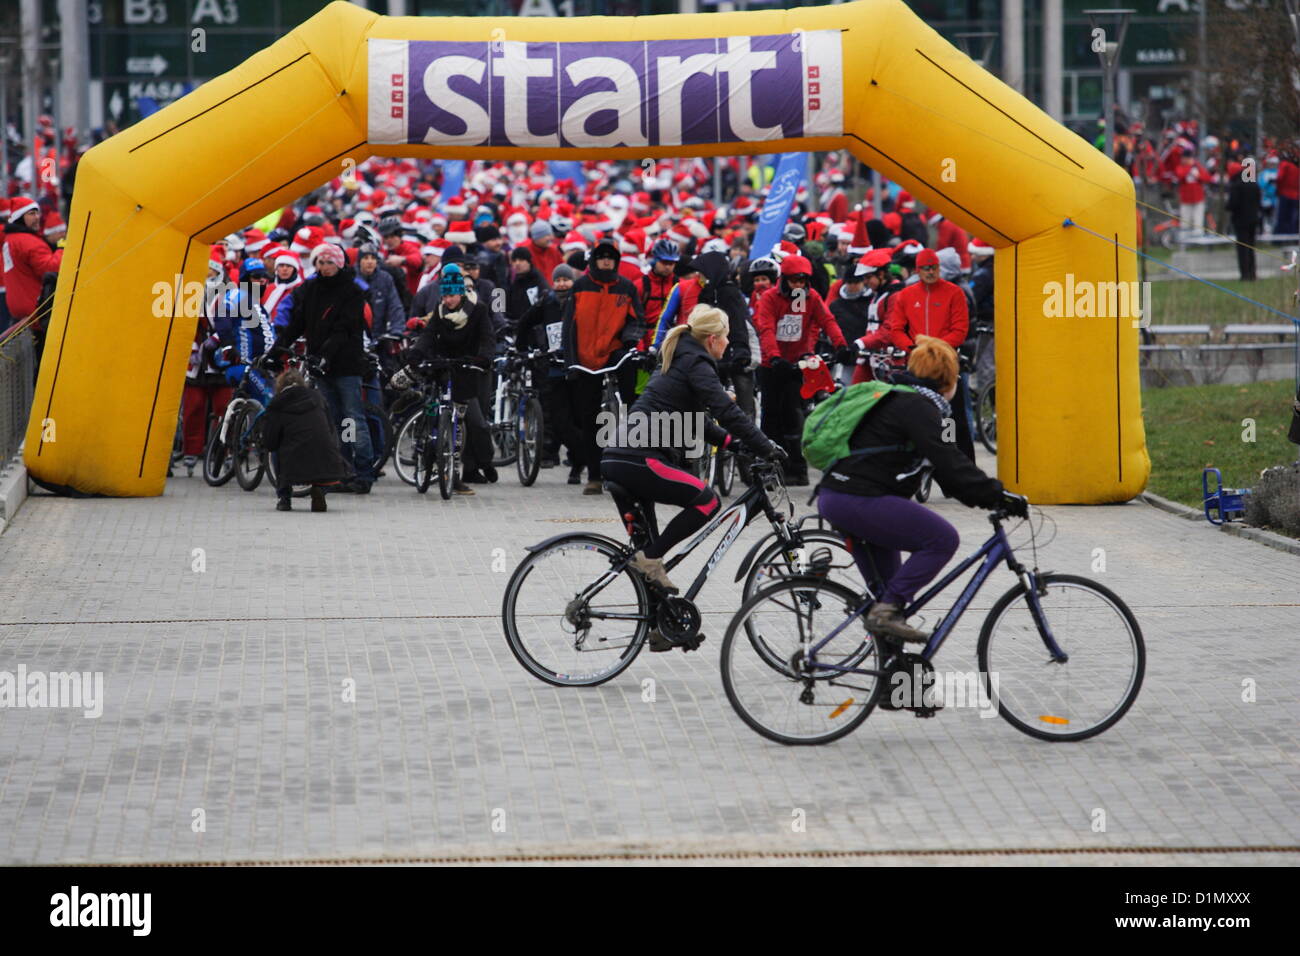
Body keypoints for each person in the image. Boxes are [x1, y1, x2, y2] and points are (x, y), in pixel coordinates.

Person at [815, 336, 1027, 642]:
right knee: (942, 539)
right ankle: (886, 613)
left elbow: (949, 469)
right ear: (948, 380)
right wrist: (997, 495)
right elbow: (950, 464)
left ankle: (892, 675)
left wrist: (980, 492)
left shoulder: (902, 398)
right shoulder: (918, 407)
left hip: (840, 497)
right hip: (858, 499)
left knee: (891, 601)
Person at [601, 306, 782, 648]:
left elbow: (696, 420)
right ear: (712, 339)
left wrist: (736, 445)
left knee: (651, 564)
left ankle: (663, 627)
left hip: (620, 457)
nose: (728, 344)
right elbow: (726, 410)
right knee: (708, 501)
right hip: (640, 458)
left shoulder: (681, 356)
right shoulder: (697, 362)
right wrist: (764, 446)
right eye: (726, 336)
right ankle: (651, 561)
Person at [272, 242, 376, 492]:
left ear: (339, 264)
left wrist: (325, 356)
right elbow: (297, 322)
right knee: (332, 420)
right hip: (320, 364)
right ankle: (340, 470)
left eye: (330, 262)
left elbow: (344, 329)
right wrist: (276, 350)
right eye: (320, 262)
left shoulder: (351, 291)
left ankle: (363, 472)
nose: (325, 267)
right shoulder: (311, 288)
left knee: (352, 419)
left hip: (346, 364)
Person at [860, 247, 974, 465]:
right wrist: (914, 349)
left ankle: (958, 466)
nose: (930, 272)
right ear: (918, 270)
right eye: (925, 268)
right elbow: (896, 329)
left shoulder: (954, 292)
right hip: (917, 363)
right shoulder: (906, 295)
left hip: (945, 364)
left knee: (953, 419)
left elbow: (960, 329)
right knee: (915, 415)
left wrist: (935, 349)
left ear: (939, 268)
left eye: (934, 268)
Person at [752, 253, 851, 484]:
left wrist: (841, 345)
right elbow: (765, 328)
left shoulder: (811, 297)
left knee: (792, 414)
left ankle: (797, 469)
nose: (798, 285)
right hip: (772, 366)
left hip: (798, 364)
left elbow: (827, 321)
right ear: (784, 278)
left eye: (802, 280)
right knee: (770, 417)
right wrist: (775, 358)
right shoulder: (769, 298)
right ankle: (771, 466)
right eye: (794, 280)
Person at [398, 263, 496, 493]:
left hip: (466, 368)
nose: (447, 300)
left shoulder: (478, 310)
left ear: (460, 293)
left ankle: (481, 463)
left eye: (451, 295)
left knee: (473, 422)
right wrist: (416, 354)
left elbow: (487, 337)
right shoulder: (439, 311)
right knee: (435, 414)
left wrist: (484, 357)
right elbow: (428, 336)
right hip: (442, 367)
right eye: (444, 295)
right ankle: (433, 458)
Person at [562, 237, 645, 494]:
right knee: (589, 418)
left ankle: (632, 466)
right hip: (586, 360)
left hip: (614, 353)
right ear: (594, 261)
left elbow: (637, 320)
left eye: (610, 257)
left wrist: (629, 340)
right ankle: (594, 475)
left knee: (633, 403)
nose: (606, 261)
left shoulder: (627, 288)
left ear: (617, 261)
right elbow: (569, 328)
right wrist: (571, 362)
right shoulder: (580, 287)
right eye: (601, 257)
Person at [517, 262, 584, 476]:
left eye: (565, 280)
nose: (562, 284)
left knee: (578, 416)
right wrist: (524, 347)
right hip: (553, 366)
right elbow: (525, 322)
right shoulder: (547, 302)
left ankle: (577, 461)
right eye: (558, 280)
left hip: (577, 365)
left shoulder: (580, 301)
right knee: (559, 417)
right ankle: (575, 454)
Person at [261, 366, 352, 512]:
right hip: (328, 461)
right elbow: (331, 429)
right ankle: (320, 490)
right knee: (323, 444)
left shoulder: (276, 403)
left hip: (293, 464)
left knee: (276, 451)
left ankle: (284, 498)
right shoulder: (318, 397)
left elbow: (270, 442)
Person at [2, 197, 63, 355]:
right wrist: (62, 249)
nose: (37, 217)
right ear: (21, 217)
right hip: (37, 311)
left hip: (21, 311)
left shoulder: (11, 239)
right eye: (32, 213)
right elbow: (49, 268)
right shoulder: (28, 241)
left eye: (37, 213)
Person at [1226, 160, 1262, 281]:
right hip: (1253, 220)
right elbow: (1258, 201)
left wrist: (1227, 206)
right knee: (1251, 247)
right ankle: (1253, 273)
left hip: (1240, 222)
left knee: (1242, 248)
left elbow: (1233, 204)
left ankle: (1244, 275)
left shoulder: (1236, 185)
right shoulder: (1253, 183)